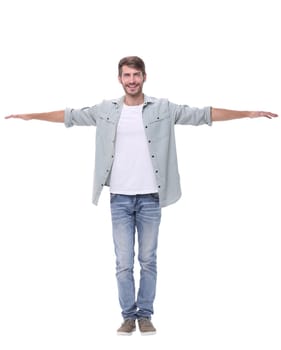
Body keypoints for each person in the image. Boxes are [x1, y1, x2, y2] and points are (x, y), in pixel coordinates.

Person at [5, 56, 278, 336]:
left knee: (148, 260)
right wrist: (31, 116)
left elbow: (203, 114)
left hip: (150, 198)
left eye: (136, 75)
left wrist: (247, 113)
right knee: (123, 262)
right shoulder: (106, 110)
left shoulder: (163, 108)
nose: (132, 80)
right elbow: (69, 116)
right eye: (127, 75)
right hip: (120, 199)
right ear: (120, 79)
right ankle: (127, 316)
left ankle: (145, 315)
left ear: (145, 77)